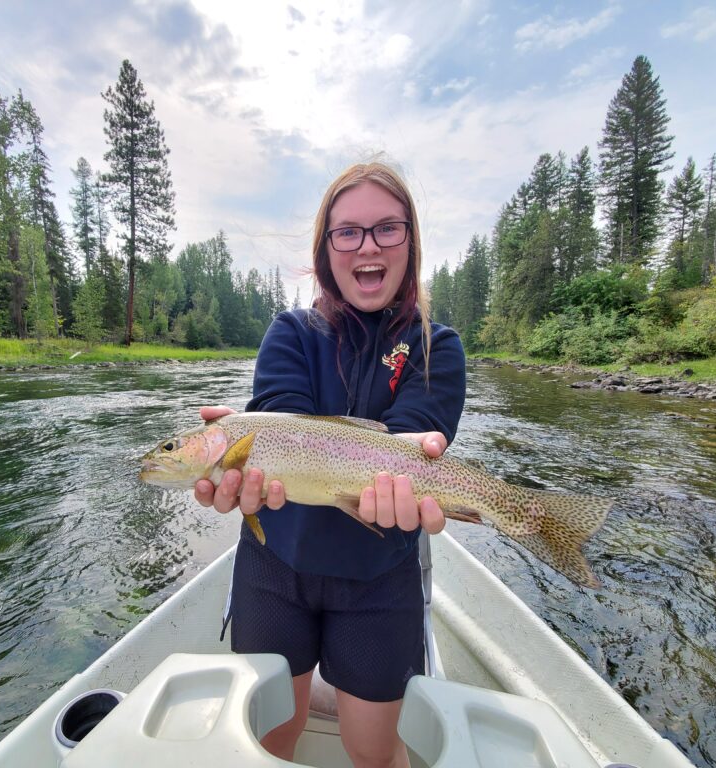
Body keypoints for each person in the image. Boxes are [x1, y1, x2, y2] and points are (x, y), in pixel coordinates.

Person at [195, 159, 466, 768]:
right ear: (326, 248)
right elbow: (282, 420)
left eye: (386, 228)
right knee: (271, 741)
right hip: (275, 567)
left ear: (410, 241)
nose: (366, 246)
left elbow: (410, 444)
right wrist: (240, 457)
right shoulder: (289, 332)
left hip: (379, 575)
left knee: (373, 754)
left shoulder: (435, 347)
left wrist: (411, 474)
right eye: (347, 232)